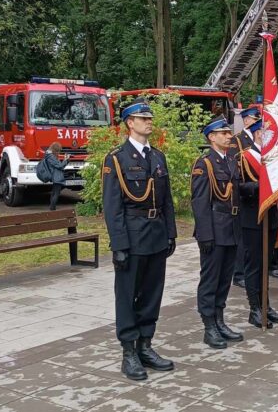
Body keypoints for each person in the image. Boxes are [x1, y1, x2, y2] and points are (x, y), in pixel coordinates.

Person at [103, 100, 177, 381]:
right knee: (127, 296)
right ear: (129, 123)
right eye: (142, 117)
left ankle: (146, 345)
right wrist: (119, 245)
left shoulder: (157, 157)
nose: (149, 121)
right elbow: (112, 207)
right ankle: (128, 352)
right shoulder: (117, 159)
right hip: (132, 239)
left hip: (157, 236)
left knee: (151, 294)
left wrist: (171, 232)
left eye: (150, 117)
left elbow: (166, 200)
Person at [192, 116, 247, 347]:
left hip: (232, 228)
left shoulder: (231, 161)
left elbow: (237, 191)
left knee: (225, 280)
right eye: (223, 133)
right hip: (214, 229)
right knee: (210, 280)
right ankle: (209, 326)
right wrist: (205, 235)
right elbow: (200, 202)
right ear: (212, 137)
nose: (229, 136)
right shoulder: (204, 164)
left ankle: (220, 320)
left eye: (228, 132)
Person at [237, 119, 278, 328]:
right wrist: (261, 187)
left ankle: (265, 304)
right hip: (252, 218)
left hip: (271, 215)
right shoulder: (245, 156)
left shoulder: (271, 156)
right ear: (258, 134)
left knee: (266, 264)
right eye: (266, 132)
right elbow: (239, 186)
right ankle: (254, 308)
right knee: (254, 265)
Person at [230, 107, 262, 289]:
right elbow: (236, 164)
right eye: (251, 118)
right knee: (243, 240)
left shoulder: (260, 142)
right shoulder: (237, 140)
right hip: (247, 193)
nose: (253, 120)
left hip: (260, 197)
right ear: (245, 120)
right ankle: (240, 273)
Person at [42, 142, 68, 211]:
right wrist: (66, 160)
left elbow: (60, 166)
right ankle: (52, 208)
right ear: (55, 150)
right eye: (58, 151)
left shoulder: (50, 156)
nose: (59, 152)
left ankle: (52, 208)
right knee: (56, 193)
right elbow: (60, 166)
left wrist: (66, 161)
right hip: (57, 176)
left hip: (56, 176)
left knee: (54, 192)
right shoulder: (51, 157)